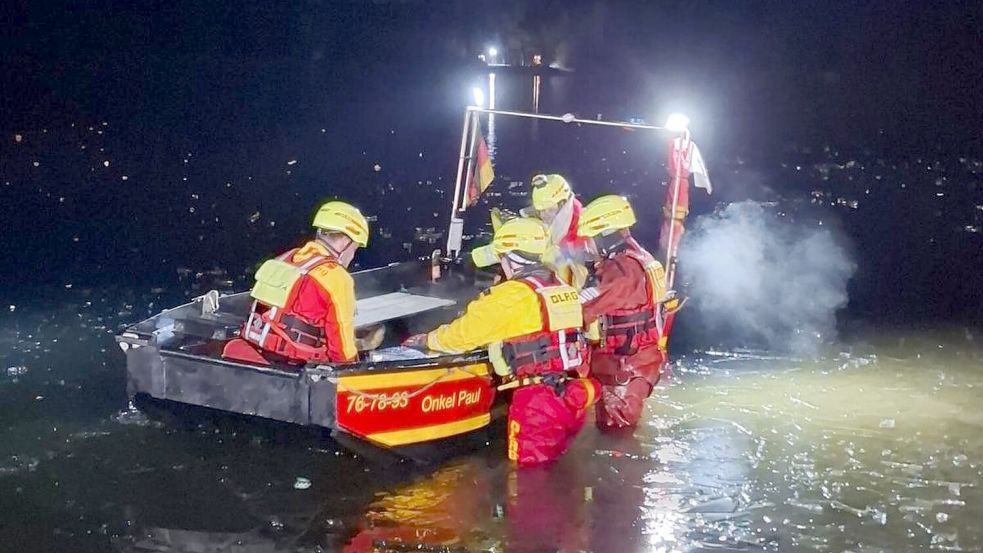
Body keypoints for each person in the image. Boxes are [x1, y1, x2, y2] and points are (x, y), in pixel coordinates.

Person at [403, 217, 598, 466]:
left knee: (529, 483)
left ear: (508, 258)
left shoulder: (509, 296)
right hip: (570, 396)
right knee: (558, 472)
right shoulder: (561, 287)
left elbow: (462, 336)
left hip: (537, 403)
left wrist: (427, 340)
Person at [223, 200, 372, 365]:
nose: (352, 256)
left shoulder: (286, 259)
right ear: (345, 240)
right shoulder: (337, 278)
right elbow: (342, 350)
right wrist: (353, 369)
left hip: (249, 351)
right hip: (290, 369)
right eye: (355, 248)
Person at [576, 195, 670, 429]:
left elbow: (584, 312)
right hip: (640, 363)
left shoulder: (621, 269)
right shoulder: (639, 258)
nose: (589, 247)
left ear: (605, 234)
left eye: (590, 239)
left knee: (614, 436)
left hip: (622, 368)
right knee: (623, 432)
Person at [526, 173, 591, 288]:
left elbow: (580, 279)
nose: (544, 215)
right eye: (540, 210)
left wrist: (551, 258)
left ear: (563, 203)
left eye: (549, 210)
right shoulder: (549, 220)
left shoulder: (584, 230)